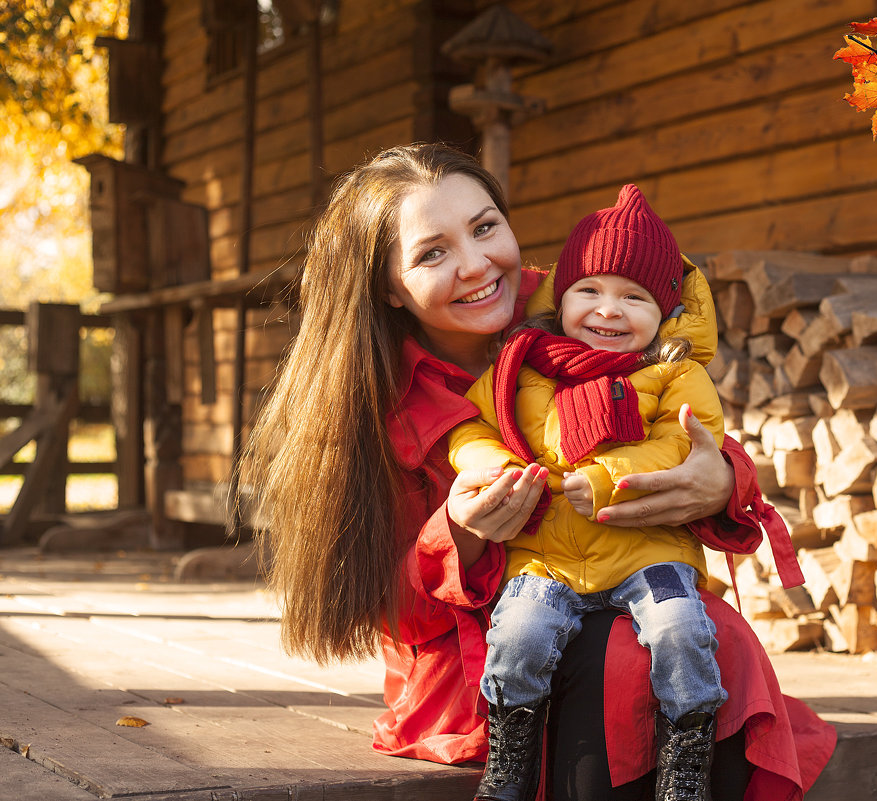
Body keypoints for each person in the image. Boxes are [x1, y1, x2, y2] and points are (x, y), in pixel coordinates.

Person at [240, 143, 836, 801]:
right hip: (475, 660)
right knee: (612, 651)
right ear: (388, 285)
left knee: (706, 633)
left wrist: (722, 479)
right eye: (431, 253)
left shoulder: (584, 300)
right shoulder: (370, 399)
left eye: (485, 226)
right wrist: (459, 533)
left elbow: (678, 404)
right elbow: (391, 613)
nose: (475, 264)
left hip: (616, 574)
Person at [449, 184, 802, 801]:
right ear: (561, 300)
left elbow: (686, 442)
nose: (608, 311)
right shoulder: (523, 365)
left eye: (632, 297)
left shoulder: (672, 373)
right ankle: (511, 758)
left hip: (648, 551)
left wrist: (609, 476)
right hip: (550, 556)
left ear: (663, 312)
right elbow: (474, 424)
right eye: (590, 291)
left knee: (680, 628)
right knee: (520, 636)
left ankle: (686, 755)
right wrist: (490, 463)